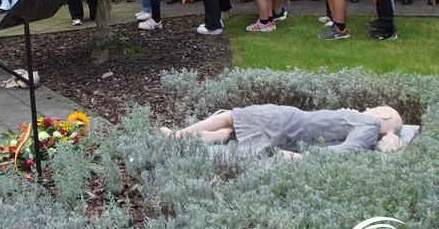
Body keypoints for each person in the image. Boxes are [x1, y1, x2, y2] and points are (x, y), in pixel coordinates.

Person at [160, 105, 404, 156]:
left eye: (375, 107)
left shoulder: (370, 124)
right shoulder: (365, 124)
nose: (369, 107)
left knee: (231, 116)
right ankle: (221, 136)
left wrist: (302, 159)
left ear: (383, 116)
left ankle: (179, 135)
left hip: (290, 122)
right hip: (292, 124)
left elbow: (346, 150)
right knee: (231, 125)